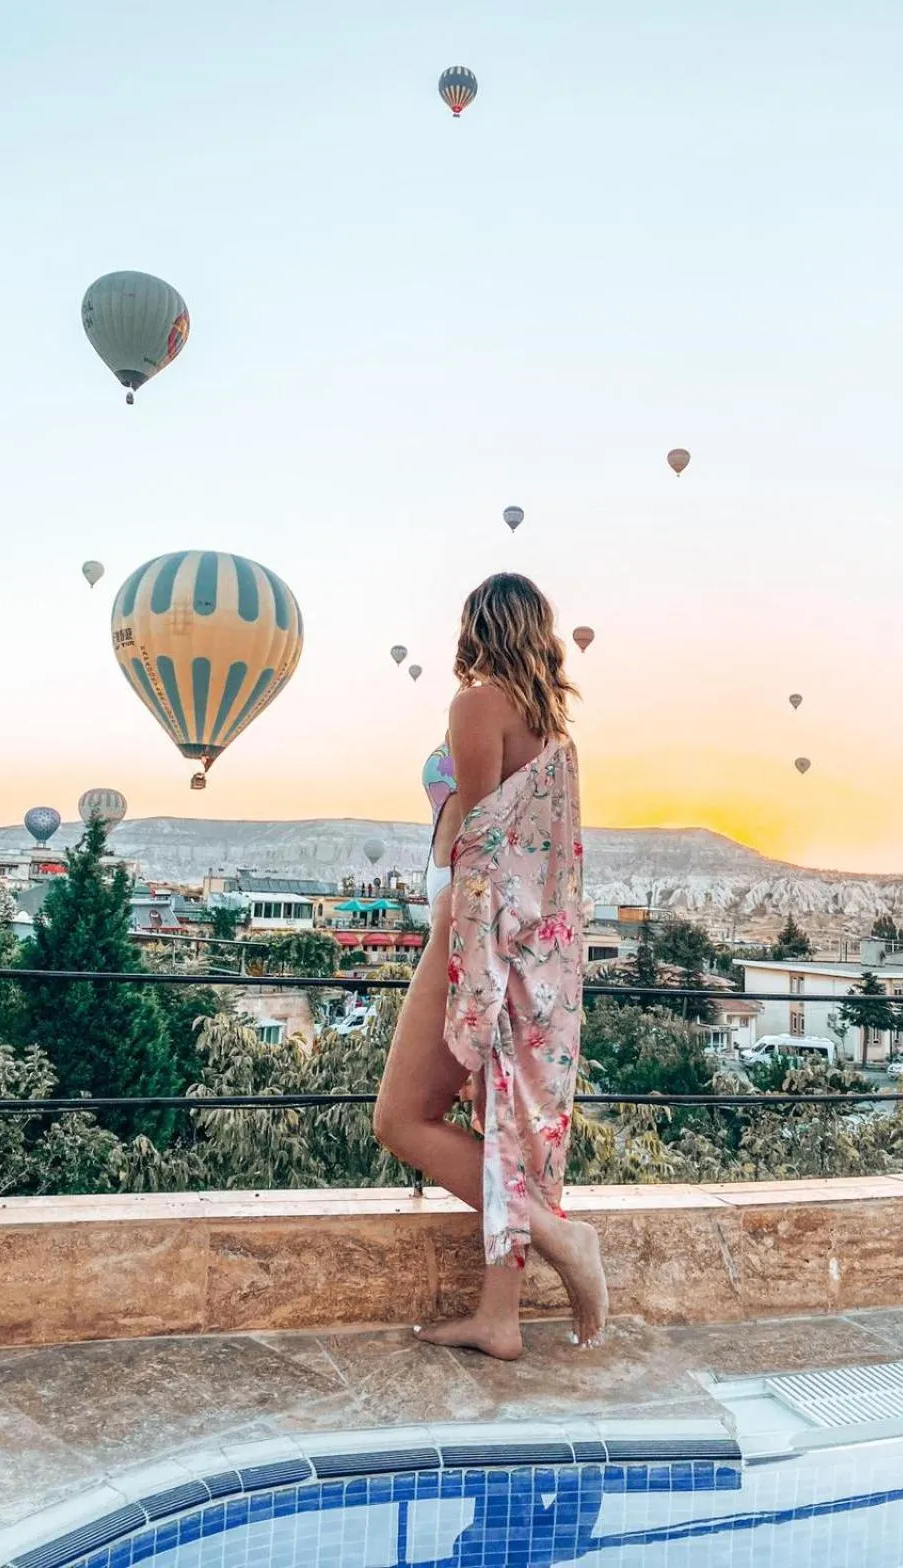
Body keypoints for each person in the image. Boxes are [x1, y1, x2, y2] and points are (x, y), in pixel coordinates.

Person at [375, 572, 607, 1360]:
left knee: (399, 1118)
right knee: (506, 1127)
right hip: (536, 952)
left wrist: (471, 979)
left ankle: (559, 1240)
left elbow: (478, 851)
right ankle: (499, 1319)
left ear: (478, 624)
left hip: (470, 938)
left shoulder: (478, 704)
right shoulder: (555, 736)